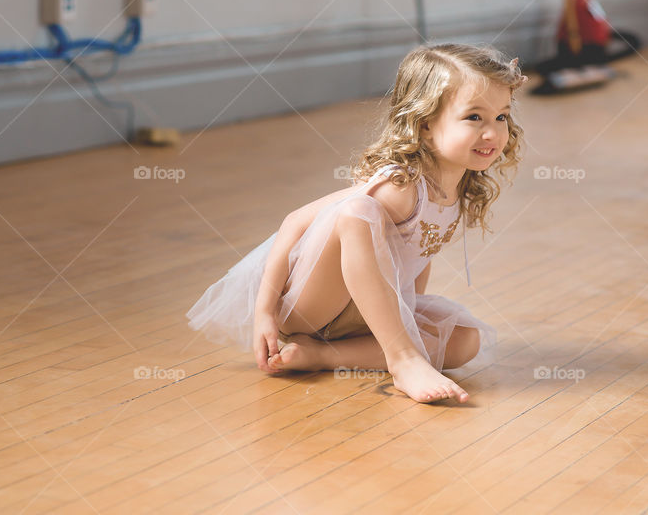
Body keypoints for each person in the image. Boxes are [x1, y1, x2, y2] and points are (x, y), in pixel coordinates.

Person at [186, 43, 527, 403]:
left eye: (501, 117)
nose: (492, 132)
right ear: (425, 124)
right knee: (357, 211)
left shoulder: (457, 186)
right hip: (311, 309)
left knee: (464, 341)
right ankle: (402, 361)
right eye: (474, 117)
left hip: (360, 314)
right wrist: (264, 314)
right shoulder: (400, 185)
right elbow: (293, 221)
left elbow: (415, 256)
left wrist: (404, 319)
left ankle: (320, 356)